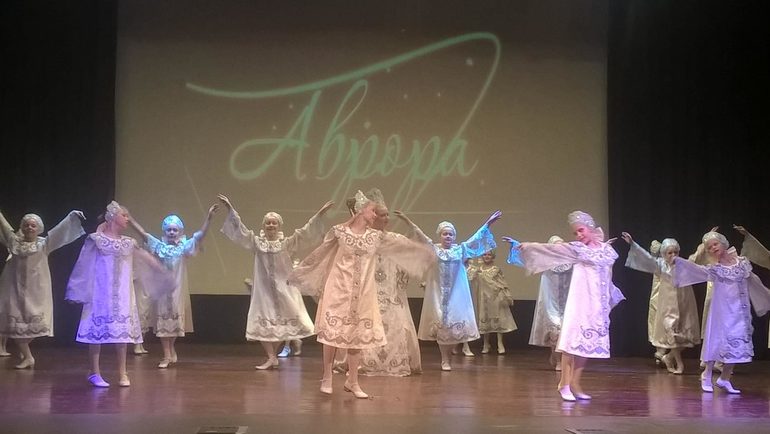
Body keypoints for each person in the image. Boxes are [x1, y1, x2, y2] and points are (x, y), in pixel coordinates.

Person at [290, 191, 432, 398]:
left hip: (363, 292)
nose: (375, 215)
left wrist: (423, 252)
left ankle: (353, 381)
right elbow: (321, 253)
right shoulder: (339, 232)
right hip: (338, 289)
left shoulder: (375, 237)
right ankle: (327, 377)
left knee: (357, 336)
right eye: (373, 211)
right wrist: (301, 273)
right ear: (360, 211)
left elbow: (400, 246)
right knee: (332, 334)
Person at [505, 210, 624, 402]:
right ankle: (564, 384)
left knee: (587, 345)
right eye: (575, 233)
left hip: (596, 303)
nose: (578, 235)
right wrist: (526, 246)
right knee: (571, 343)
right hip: (580, 301)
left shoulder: (606, 251)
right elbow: (551, 250)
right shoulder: (577, 249)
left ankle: (575, 384)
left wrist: (609, 297)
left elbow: (607, 275)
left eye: (581, 230)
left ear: (590, 228)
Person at [65, 201, 173, 387]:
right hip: (100, 292)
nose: (127, 219)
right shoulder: (97, 240)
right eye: (124, 215)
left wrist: (162, 271)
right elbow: (84, 264)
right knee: (96, 333)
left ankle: (123, 372)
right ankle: (94, 371)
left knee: (122, 333)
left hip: (122, 295)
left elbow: (145, 258)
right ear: (113, 216)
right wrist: (79, 290)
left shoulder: (128, 243)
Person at [219, 194, 332, 370]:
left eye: (274, 223)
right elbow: (241, 230)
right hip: (263, 291)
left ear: (279, 226)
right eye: (268, 223)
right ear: (263, 226)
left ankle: (273, 357)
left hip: (284, 289)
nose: (271, 225)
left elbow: (305, 232)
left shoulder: (286, 244)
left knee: (284, 324)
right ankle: (271, 357)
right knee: (260, 322)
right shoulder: (257, 243)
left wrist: (320, 214)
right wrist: (230, 209)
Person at [403, 210, 502, 371]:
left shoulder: (460, 250)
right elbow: (420, 236)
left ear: (454, 236)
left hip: (456, 293)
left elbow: (476, 238)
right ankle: (444, 359)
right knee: (442, 325)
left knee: (454, 326)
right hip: (438, 293)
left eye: (450, 234)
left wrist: (488, 223)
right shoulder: (433, 249)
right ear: (440, 236)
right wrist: (408, 221)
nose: (448, 236)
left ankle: (449, 356)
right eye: (445, 234)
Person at [673, 230, 770, 394]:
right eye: (709, 247)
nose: (713, 248)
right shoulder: (715, 269)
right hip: (722, 312)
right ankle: (707, 374)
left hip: (740, 312)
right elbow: (696, 271)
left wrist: (766, 295)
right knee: (716, 340)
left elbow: (753, 280)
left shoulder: (741, 263)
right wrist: (679, 263)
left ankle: (724, 378)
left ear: (723, 243)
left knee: (738, 343)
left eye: (715, 244)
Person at [128, 204, 219, 368]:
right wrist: (130, 220)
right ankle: (166, 355)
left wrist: (209, 218)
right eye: (169, 229)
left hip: (177, 290)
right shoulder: (159, 246)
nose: (171, 232)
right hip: (163, 291)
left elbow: (200, 236)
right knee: (163, 321)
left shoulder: (184, 247)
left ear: (180, 232)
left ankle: (171, 349)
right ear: (164, 231)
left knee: (175, 322)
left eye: (175, 230)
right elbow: (143, 233)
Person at [0, 209, 85, 368]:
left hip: (36, 291)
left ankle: (26, 353)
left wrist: (71, 217)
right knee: (15, 326)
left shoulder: (43, 244)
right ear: (22, 227)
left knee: (33, 326)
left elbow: (59, 232)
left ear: (39, 228)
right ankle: (28, 356)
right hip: (16, 291)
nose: (29, 228)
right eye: (26, 225)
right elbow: (5, 227)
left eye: (33, 226)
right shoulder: (14, 243)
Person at [359, 189, 422, 376]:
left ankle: (394, 361)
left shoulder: (396, 240)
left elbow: (418, 249)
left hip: (391, 294)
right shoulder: (362, 239)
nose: (387, 218)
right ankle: (365, 362)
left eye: (387, 215)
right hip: (369, 292)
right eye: (382, 215)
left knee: (395, 326)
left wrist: (410, 225)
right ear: (373, 216)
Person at [622, 233, 700, 374]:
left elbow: (695, 257)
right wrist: (633, 244)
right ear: (664, 254)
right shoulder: (660, 265)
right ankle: (680, 364)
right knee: (672, 334)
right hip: (668, 306)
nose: (673, 255)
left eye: (675, 252)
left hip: (683, 305)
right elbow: (646, 258)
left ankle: (669, 357)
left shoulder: (683, 264)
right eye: (670, 253)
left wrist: (705, 243)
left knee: (686, 338)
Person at [527, 236, 572, 371]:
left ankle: (559, 358)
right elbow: (530, 255)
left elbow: (588, 258)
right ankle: (557, 360)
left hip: (566, 303)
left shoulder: (570, 261)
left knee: (564, 332)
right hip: (550, 302)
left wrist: (602, 246)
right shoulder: (545, 261)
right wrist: (517, 245)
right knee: (555, 330)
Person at [467, 250, 516, 354]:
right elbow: (471, 280)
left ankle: (500, 343)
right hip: (483, 297)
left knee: (498, 318)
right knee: (485, 318)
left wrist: (505, 293)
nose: (487, 256)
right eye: (485, 254)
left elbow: (502, 282)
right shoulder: (478, 270)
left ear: (492, 256)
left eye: (489, 254)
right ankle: (486, 343)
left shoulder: (496, 269)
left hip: (495, 297)